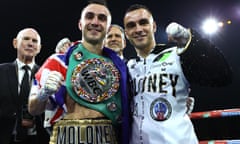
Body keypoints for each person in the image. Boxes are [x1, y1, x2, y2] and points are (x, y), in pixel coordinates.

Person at [123, 4, 232, 144]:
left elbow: (223, 75)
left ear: (154, 26)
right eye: (131, 25)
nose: (138, 29)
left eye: (143, 23)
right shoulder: (128, 67)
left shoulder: (176, 55)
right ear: (126, 33)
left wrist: (191, 40)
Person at [28, 0, 130, 143]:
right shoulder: (58, 62)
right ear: (80, 24)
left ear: (108, 28)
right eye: (89, 16)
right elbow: (33, 109)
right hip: (65, 137)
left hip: (107, 138)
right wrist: (43, 93)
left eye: (102, 18)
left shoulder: (119, 69)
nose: (95, 22)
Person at [0, 28, 49, 144]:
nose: (30, 43)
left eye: (34, 41)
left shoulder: (46, 74)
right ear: (15, 43)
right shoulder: (1, 71)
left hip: (38, 138)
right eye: (26, 39)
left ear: (39, 48)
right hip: (5, 137)